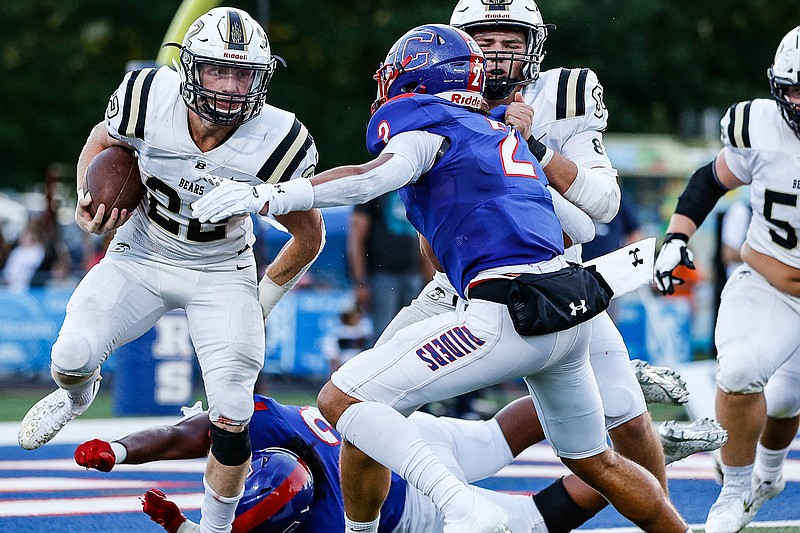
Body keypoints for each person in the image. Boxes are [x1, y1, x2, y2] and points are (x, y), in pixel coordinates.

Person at [191, 23, 692, 533]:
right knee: (597, 463)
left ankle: (461, 505)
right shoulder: (500, 135)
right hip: (568, 310)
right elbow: (583, 226)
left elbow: (370, 179)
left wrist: (269, 197)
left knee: (341, 399)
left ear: (414, 80)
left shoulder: (429, 128)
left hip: (505, 311)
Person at [17, 8, 325, 533]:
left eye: (243, 74)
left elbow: (309, 233)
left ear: (262, 78)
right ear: (189, 69)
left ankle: (216, 528)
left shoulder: (280, 138)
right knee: (70, 356)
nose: (230, 87)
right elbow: (104, 137)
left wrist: (260, 301)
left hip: (221, 269)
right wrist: (86, 198)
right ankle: (77, 393)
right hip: (142, 250)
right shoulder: (147, 96)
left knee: (232, 409)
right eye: (218, 71)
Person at [74, 393, 717, 533]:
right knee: (498, 438)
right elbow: (196, 432)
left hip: (424, 504)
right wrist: (128, 454)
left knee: (541, 518)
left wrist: (178, 523)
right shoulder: (285, 430)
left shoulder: (300, 521)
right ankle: (613, 404)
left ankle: (634, 443)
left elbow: (192, 432)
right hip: (412, 441)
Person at [654, 26, 800, 533]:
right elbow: (711, 179)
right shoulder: (758, 127)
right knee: (739, 375)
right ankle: (735, 491)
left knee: (785, 402)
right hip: (770, 284)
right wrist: (676, 237)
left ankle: (770, 475)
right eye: (797, 89)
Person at [348, 191, 432, 342]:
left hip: (414, 275)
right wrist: (360, 282)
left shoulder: (413, 188)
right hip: (382, 276)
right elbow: (356, 238)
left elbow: (425, 234)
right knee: (383, 335)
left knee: (414, 336)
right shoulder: (375, 188)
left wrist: (430, 281)